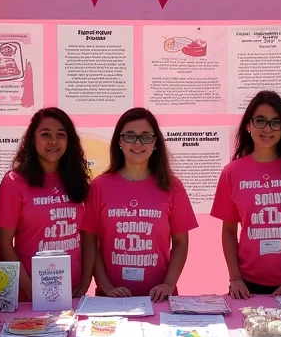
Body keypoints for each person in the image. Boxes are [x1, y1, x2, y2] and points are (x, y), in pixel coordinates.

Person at [211, 90, 281, 298]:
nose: (267, 129)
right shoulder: (232, 172)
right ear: (248, 125)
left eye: (275, 122)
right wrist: (235, 278)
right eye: (260, 120)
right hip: (246, 286)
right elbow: (228, 232)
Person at [82, 108, 198, 301]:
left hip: (159, 298)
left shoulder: (172, 186)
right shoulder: (99, 186)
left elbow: (180, 242)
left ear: (155, 143)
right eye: (129, 136)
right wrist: (105, 286)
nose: (137, 143)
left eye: (145, 136)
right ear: (119, 141)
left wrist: (168, 284)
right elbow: (89, 241)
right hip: (112, 299)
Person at [0, 107, 93, 300]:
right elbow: (5, 243)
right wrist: (32, 290)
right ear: (33, 139)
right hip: (29, 294)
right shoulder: (14, 182)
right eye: (45, 134)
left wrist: (84, 283)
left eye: (61, 134)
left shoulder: (77, 180)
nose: (53, 141)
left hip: (71, 292)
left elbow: (87, 238)